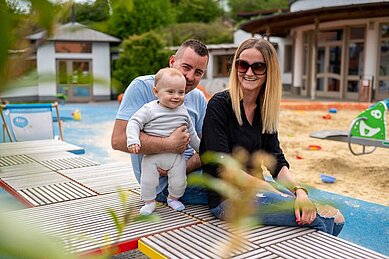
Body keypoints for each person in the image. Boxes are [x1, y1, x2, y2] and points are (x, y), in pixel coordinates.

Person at [199, 38, 345, 236]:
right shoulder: (220, 104)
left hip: (258, 192)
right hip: (228, 199)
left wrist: (299, 191)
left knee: (337, 218)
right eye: (243, 65)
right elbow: (224, 167)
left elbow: (276, 160)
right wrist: (274, 193)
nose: (249, 72)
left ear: (269, 71)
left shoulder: (264, 110)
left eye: (258, 67)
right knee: (320, 220)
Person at [112, 39, 209, 206]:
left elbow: (206, 146)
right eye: (186, 67)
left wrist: (187, 165)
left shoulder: (198, 97)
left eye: (198, 72)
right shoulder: (141, 87)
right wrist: (169, 144)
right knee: (230, 189)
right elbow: (119, 139)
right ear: (172, 61)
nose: (190, 77)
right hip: (162, 185)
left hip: (189, 171)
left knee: (238, 172)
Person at [126, 68, 200, 215]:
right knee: (148, 181)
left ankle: (173, 198)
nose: (176, 96)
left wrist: (201, 149)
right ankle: (149, 202)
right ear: (156, 92)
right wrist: (133, 140)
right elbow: (134, 122)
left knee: (179, 181)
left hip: (176, 159)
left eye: (181, 92)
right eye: (170, 92)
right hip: (153, 157)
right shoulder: (149, 109)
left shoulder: (183, 111)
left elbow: (191, 133)